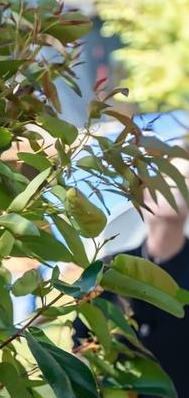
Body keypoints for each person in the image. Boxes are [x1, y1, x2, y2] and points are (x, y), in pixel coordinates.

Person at [75, 152, 189, 397]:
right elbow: (82, 345)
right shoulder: (105, 270)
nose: (178, 185)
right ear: (143, 193)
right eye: (168, 178)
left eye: (185, 179)